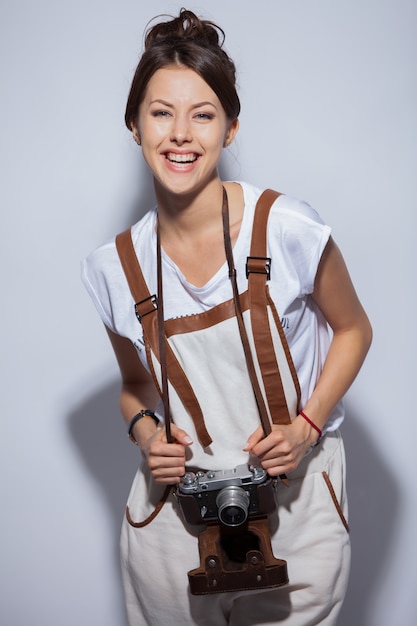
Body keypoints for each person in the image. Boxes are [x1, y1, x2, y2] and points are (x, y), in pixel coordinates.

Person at [81, 8, 372, 626]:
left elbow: (353, 329)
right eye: (161, 112)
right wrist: (146, 435)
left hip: (296, 507)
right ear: (134, 126)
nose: (180, 134)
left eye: (203, 114)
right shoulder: (113, 267)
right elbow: (135, 387)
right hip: (174, 520)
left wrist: (307, 426)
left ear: (231, 129)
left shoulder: (288, 227)